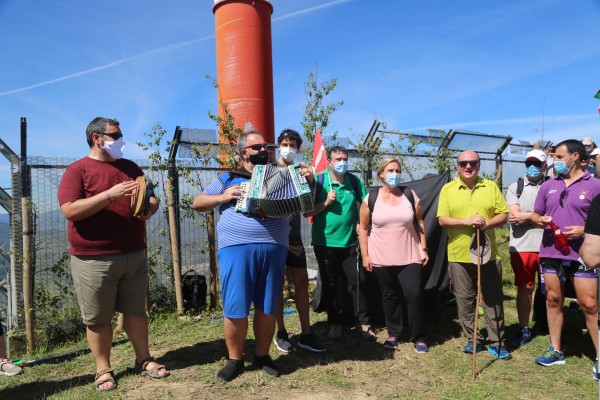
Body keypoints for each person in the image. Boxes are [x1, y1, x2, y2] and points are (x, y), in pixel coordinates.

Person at [192, 130, 315, 382]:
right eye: (257, 146)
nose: (263, 150)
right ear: (243, 152)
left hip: (274, 247)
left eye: (265, 146)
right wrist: (224, 196)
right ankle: (235, 359)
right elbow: (198, 202)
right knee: (236, 306)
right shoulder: (228, 177)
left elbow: (306, 202)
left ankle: (263, 356)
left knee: (268, 305)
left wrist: (310, 181)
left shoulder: (284, 175)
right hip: (236, 248)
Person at [57, 117, 168, 391]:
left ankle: (144, 360)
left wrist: (148, 210)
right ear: (97, 138)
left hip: (133, 253)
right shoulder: (78, 170)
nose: (121, 140)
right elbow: (69, 209)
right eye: (115, 135)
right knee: (98, 318)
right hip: (93, 258)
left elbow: (152, 196)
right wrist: (110, 195)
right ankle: (103, 370)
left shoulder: (130, 167)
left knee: (136, 312)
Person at [530, 139, 600, 378]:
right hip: (551, 252)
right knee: (553, 300)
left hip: (583, 254)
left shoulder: (595, 186)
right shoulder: (548, 185)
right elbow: (536, 214)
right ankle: (556, 350)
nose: (555, 162)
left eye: (559, 157)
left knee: (589, 305)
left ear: (576, 157)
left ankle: (599, 357)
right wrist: (538, 219)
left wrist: (584, 229)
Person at [437, 150, 511, 360]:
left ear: (479, 164)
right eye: (463, 163)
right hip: (458, 254)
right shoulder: (448, 189)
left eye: (472, 163)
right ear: (457, 166)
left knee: (493, 298)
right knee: (465, 298)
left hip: (487, 253)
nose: (468, 167)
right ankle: (473, 339)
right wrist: (467, 221)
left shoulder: (490, 186)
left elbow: (503, 215)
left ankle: (497, 341)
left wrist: (486, 223)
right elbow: (442, 220)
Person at [357, 158, 429, 353]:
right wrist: (365, 255)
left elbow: (420, 222)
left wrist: (424, 248)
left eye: (397, 170)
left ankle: (419, 336)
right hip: (381, 257)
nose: (394, 174)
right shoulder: (370, 198)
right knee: (389, 296)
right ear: (381, 174)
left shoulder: (409, 195)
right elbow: (362, 229)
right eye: (390, 170)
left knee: (414, 294)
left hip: (410, 255)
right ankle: (394, 333)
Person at [308, 146, 374, 340]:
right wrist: (326, 203)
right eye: (337, 159)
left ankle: (363, 322)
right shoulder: (318, 181)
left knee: (357, 282)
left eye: (345, 158)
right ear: (329, 162)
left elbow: (367, 205)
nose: (342, 162)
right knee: (330, 284)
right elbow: (307, 212)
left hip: (350, 243)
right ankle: (335, 323)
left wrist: (361, 224)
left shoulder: (354, 181)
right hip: (325, 243)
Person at [272, 129, 325, 353]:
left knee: (302, 283)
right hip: (272, 235)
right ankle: (281, 332)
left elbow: (308, 209)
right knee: (276, 286)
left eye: (292, 145)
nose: (288, 148)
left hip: (293, 237)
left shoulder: (301, 172)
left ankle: (306, 333)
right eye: (284, 144)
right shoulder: (268, 170)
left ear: (298, 148)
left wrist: (312, 181)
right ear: (278, 145)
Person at [504, 149, 547, 347]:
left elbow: (555, 220)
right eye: (529, 163)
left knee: (552, 290)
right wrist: (539, 218)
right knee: (526, 288)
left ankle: (548, 326)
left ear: (545, 166)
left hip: (549, 247)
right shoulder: (516, 187)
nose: (532, 167)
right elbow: (514, 217)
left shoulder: (553, 187)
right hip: (522, 247)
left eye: (537, 163)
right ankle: (524, 328)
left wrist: (527, 216)